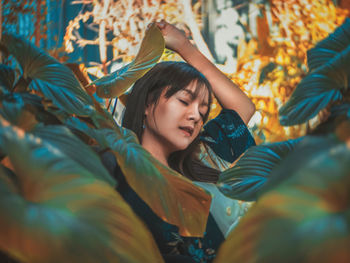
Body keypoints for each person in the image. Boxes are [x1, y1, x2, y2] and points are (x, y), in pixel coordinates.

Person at [104, 20, 256, 263]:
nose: (196, 116)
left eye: (203, 110)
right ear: (147, 103)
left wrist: (184, 47)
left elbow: (242, 107)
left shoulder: (201, 155)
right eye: (184, 101)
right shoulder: (116, 172)